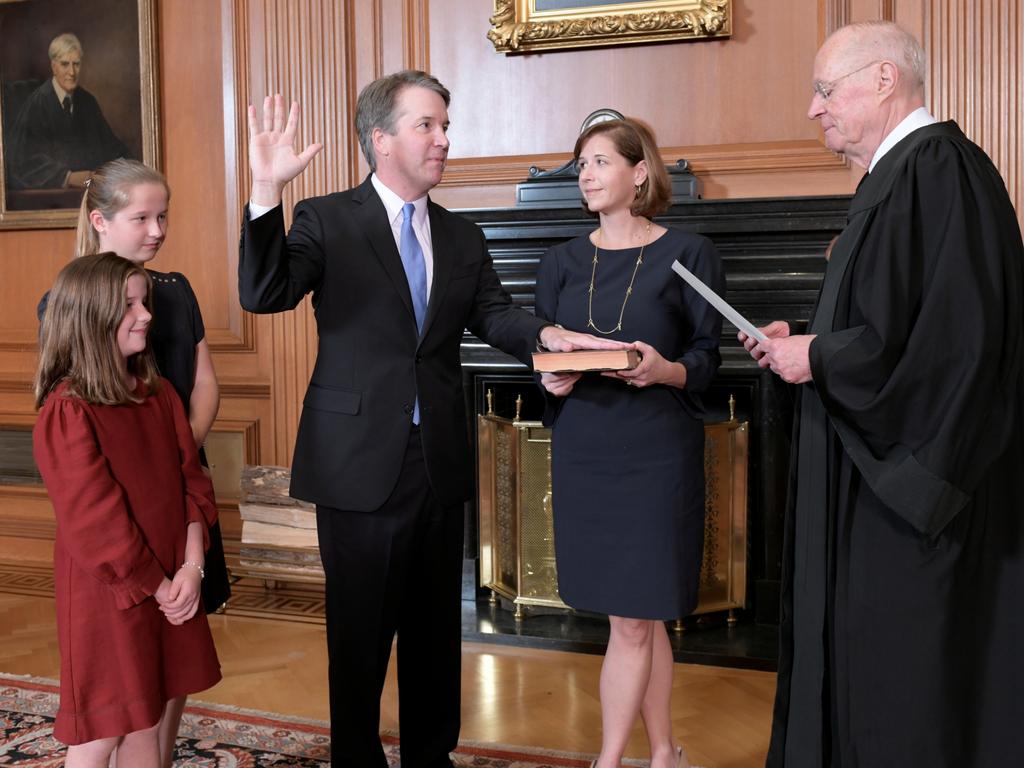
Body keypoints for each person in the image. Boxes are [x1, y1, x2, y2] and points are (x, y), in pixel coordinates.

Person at [238, 70, 622, 767]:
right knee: (358, 637)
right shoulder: (327, 219)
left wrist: (549, 338)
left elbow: (496, 314)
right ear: (381, 138)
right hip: (357, 464)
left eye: (446, 125)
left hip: (439, 461)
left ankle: (429, 757)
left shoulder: (461, 233)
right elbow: (264, 292)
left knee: (435, 635)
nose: (445, 139)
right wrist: (266, 193)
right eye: (428, 125)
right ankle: (357, 758)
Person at [740, 21, 1024, 767]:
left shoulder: (938, 170)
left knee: (903, 685)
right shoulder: (899, 177)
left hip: (907, 498)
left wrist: (824, 359)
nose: (813, 109)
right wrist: (801, 342)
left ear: (885, 81)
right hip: (867, 480)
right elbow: (888, 322)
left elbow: (954, 345)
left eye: (826, 90)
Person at [535, 118, 723, 768]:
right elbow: (545, 356)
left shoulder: (689, 252)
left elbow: (708, 355)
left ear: (640, 172)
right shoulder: (559, 261)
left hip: (656, 452)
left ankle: (610, 761)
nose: (585, 174)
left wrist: (663, 369)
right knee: (638, 616)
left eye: (599, 161)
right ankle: (665, 752)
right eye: (580, 164)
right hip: (586, 450)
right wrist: (554, 383)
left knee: (634, 620)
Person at [33, 253, 221, 768]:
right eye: (129, 306)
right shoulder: (68, 410)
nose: (145, 315)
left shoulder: (157, 396)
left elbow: (192, 483)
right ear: (91, 318)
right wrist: (158, 586)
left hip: (170, 579)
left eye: (144, 302)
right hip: (111, 592)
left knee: (149, 717)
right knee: (102, 730)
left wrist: (191, 565)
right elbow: (96, 521)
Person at [37, 157, 231, 623]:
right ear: (100, 221)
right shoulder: (69, 299)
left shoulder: (178, 289)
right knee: (136, 624)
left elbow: (204, 382)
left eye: (162, 216)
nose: (157, 229)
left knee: (189, 620)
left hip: (184, 477)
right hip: (125, 489)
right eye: (142, 217)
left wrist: (181, 449)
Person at [7, 33, 129, 190]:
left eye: (76, 64)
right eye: (65, 64)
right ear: (54, 67)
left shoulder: (87, 102)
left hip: (87, 189)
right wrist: (69, 177)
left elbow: (110, 146)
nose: (72, 72)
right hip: (50, 197)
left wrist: (131, 167)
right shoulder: (38, 103)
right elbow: (23, 160)